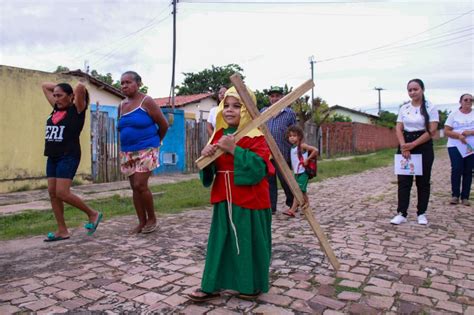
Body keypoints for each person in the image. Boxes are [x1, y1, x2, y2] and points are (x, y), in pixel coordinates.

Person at [188, 86, 274, 302]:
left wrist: (235, 149)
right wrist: (207, 155)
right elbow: (210, 169)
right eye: (226, 105)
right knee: (220, 242)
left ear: (247, 110)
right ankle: (212, 285)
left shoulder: (257, 137)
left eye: (237, 106)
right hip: (223, 197)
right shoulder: (219, 134)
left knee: (246, 241)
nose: (229, 110)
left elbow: (260, 169)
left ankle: (249, 285)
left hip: (249, 200)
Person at [42, 81, 102, 242]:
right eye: (54, 95)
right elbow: (44, 85)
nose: (56, 98)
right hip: (52, 156)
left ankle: (92, 214)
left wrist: (70, 91)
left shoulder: (77, 109)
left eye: (60, 95)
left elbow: (80, 86)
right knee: (53, 193)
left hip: (68, 156)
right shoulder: (55, 108)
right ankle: (62, 230)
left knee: (62, 192)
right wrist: (59, 89)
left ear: (71, 97)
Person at [118, 71, 169, 234]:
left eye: (128, 82)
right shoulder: (121, 105)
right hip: (127, 152)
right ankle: (141, 222)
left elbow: (163, 124)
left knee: (140, 184)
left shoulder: (147, 101)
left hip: (147, 148)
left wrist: (156, 143)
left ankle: (152, 219)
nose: (124, 85)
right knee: (134, 187)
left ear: (138, 84)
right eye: (122, 83)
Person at [390, 79, 439, 225]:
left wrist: (414, 144)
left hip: (422, 144)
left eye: (415, 89)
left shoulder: (430, 107)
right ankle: (401, 213)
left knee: (423, 181)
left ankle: (421, 213)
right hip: (405, 143)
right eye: (410, 90)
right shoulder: (404, 108)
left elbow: (432, 130)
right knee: (404, 181)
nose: (412, 92)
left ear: (422, 89)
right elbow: (398, 127)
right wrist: (404, 145)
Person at [260, 86, 296, 214]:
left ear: (282, 97)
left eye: (277, 96)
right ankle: (271, 207)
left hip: (282, 151)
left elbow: (294, 131)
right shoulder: (263, 112)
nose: (274, 99)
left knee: (286, 179)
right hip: (266, 153)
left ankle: (292, 204)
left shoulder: (289, 112)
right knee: (269, 181)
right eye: (272, 96)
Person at [444, 93, 474, 206]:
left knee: (468, 170)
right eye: (466, 99)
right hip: (455, 145)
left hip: (470, 146)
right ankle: (455, 195)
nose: (468, 101)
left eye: (471, 100)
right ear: (460, 102)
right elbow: (446, 131)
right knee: (457, 169)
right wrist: (458, 136)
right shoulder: (453, 115)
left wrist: (470, 132)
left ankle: (465, 196)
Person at [283, 125, 318, 217]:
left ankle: (292, 210)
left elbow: (315, 150)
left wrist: (307, 159)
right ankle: (307, 206)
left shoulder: (302, 146)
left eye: (294, 136)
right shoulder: (292, 147)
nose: (292, 138)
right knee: (303, 191)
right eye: (290, 136)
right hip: (297, 173)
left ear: (299, 136)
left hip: (303, 172)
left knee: (297, 190)